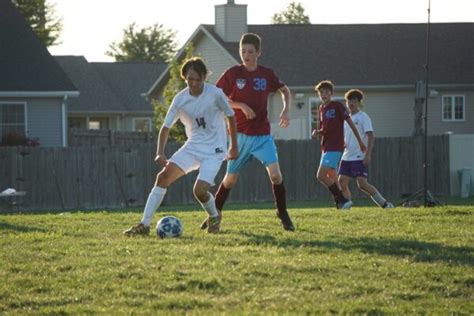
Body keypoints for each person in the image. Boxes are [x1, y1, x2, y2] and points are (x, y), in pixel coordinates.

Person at [124, 57, 238, 236]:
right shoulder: (180, 99)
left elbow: (231, 116)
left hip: (215, 150)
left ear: (204, 77)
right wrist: (160, 152)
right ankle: (144, 225)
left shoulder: (215, 94)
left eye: (198, 79)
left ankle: (214, 216)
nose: (194, 83)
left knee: (199, 191)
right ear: (184, 78)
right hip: (192, 148)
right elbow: (165, 127)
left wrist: (233, 147)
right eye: (190, 79)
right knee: (162, 178)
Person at [200, 32, 295, 231]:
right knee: (230, 179)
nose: (246, 55)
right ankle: (215, 213)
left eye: (251, 51)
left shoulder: (266, 74)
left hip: (263, 136)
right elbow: (218, 97)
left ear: (259, 52)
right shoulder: (233, 74)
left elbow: (284, 90)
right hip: (239, 136)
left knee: (276, 176)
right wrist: (240, 105)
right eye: (243, 51)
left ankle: (282, 212)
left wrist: (286, 109)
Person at [312, 80, 366, 209]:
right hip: (325, 147)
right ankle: (341, 203)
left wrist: (360, 142)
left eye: (326, 92)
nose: (323, 95)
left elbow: (351, 124)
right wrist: (317, 132)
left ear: (331, 93)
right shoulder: (321, 108)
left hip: (335, 147)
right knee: (333, 178)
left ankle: (342, 200)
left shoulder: (337, 106)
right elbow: (325, 130)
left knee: (320, 175)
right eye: (321, 93)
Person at [338, 89, 394, 208]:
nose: (351, 103)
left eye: (354, 101)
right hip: (347, 155)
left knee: (362, 184)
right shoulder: (346, 119)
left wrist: (368, 154)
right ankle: (347, 206)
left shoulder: (363, 117)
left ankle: (384, 204)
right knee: (342, 181)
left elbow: (371, 136)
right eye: (349, 101)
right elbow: (346, 136)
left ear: (359, 102)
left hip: (359, 155)